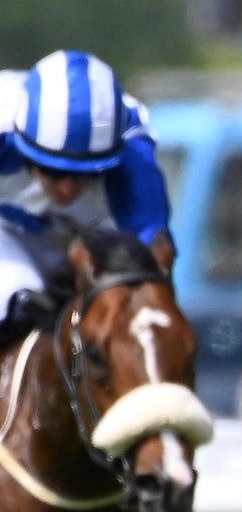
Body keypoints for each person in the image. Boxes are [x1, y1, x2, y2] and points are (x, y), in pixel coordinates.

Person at [0, 50, 172, 346]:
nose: (66, 189)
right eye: (51, 170)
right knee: (17, 298)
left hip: (87, 238)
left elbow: (152, 252)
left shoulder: (132, 150)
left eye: (85, 174)